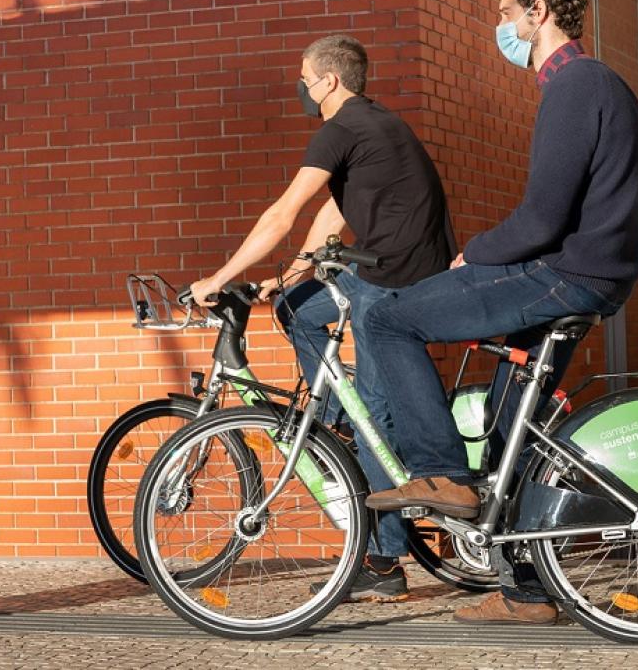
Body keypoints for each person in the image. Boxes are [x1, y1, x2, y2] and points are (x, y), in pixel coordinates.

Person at [361, 0, 638, 624]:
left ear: (537, 12)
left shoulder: (576, 86)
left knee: (388, 320)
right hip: (591, 273)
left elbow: (541, 219)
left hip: (568, 273)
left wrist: (473, 256)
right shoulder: (599, 84)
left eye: (504, 12)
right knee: (506, 432)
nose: (501, 25)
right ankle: (526, 591)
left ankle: (443, 474)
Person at [190, 34, 456, 603]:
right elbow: (332, 216)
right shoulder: (376, 127)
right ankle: (333, 409)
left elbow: (284, 213)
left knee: (372, 421)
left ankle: (383, 562)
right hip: (394, 275)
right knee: (296, 308)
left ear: (329, 80)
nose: (303, 89)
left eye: (305, 79)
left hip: (393, 289)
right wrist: (288, 279)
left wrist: (218, 278)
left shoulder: (341, 128)